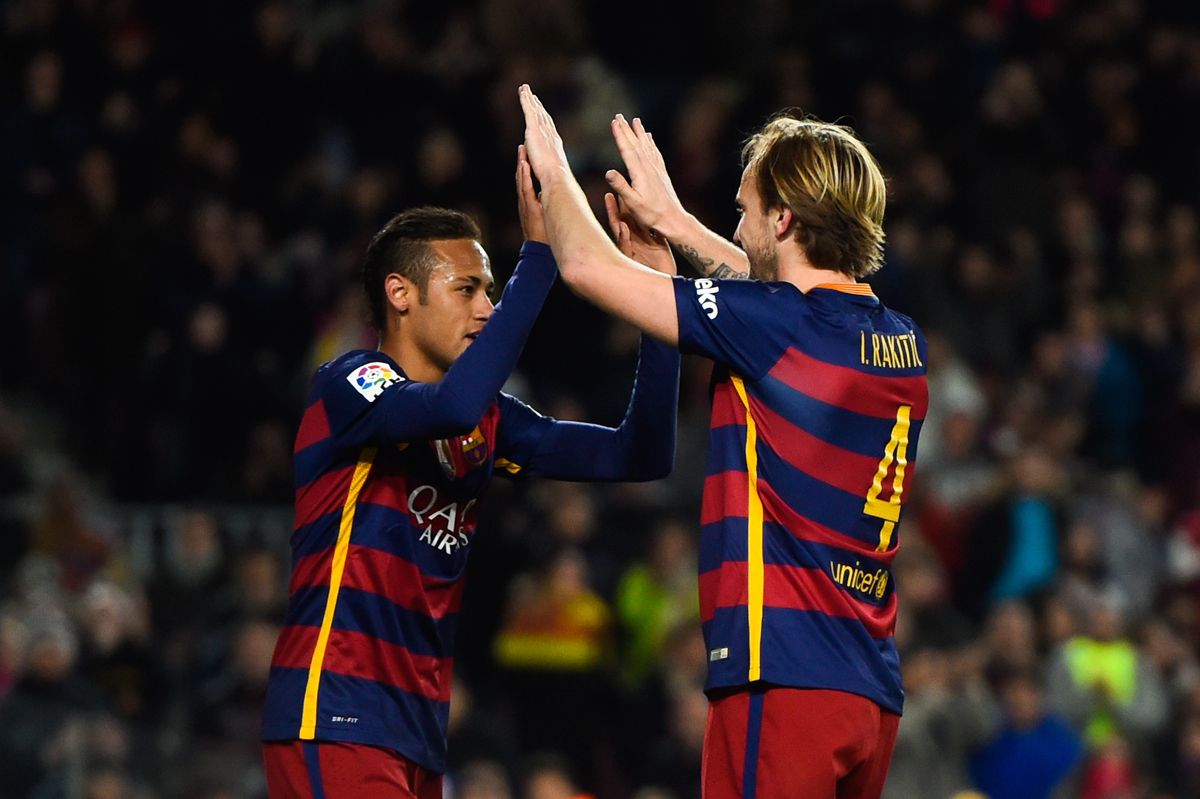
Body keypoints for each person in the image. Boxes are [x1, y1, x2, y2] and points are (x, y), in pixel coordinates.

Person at [518, 85, 928, 798]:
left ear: (785, 216)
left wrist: (555, 171)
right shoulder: (899, 341)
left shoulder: (773, 327)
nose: (736, 232)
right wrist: (677, 224)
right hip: (867, 690)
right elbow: (773, 297)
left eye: (742, 212)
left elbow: (588, 267)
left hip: (782, 673)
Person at [260, 149, 680, 797]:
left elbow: (640, 454)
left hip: (419, 729)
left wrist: (659, 305)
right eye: (468, 289)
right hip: (335, 710)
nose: (487, 308)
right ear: (400, 294)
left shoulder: (488, 422)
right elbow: (450, 406)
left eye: (490, 289)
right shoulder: (350, 383)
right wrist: (538, 261)